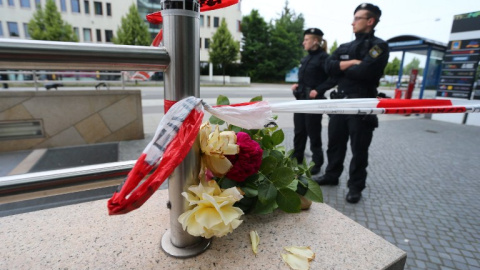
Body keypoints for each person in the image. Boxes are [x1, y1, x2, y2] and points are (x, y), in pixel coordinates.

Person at [313, 3, 389, 204]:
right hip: (340, 103)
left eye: (358, 18)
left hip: (362, 103)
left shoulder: (378, 46)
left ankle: (355, 187)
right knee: (335, 144)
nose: (352, 22)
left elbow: (366, 71)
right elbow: (329, 68)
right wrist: (353, 63)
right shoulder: (344, 47)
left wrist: (343, 67)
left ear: (370, 21)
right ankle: (331, 175)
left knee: (359, 150)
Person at [291, 28, 336, 175]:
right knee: (299, 132)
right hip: (300, 100)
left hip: (314, 102)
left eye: (306, 40)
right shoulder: (305, 59)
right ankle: (296, 158)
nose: (303, 42)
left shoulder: (324, 58)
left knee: (313, 133)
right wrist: (297, 85)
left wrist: (319, 90)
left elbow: (333, 78)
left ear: (315, 41)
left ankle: (317, 162)